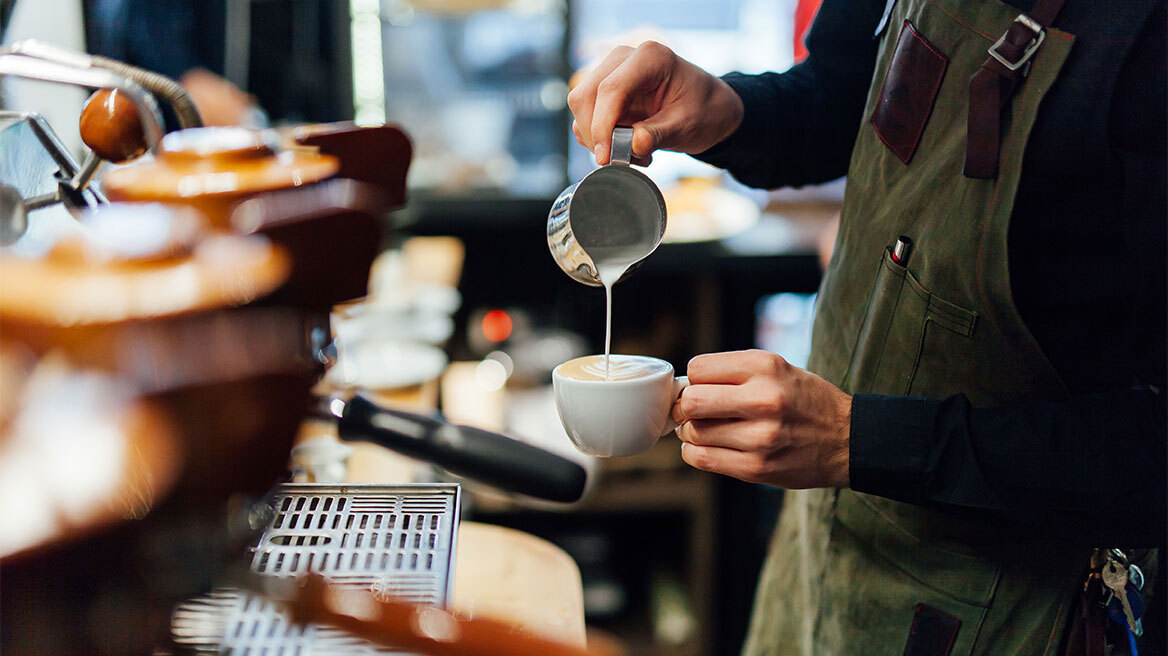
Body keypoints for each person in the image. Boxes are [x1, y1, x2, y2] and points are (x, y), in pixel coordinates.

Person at [567, 0, 1166, 654]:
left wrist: (861, 439)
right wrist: (730, 109)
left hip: (1008, 606)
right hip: (821, 549)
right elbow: (838, 95)